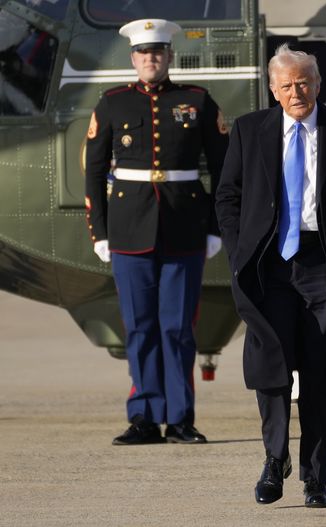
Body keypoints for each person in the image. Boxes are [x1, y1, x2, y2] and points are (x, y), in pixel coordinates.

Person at [215, 43, 326, 508]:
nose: (298, 91)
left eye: (305, 82)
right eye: (288, 84)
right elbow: (228, 197)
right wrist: (238, 253)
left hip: (325, 266)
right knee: (271, 370)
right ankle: (275, 462)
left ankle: (317, 478)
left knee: (318, 376)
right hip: (268, 266)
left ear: (318, 84)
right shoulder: (249, 130)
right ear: (273, 90)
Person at [84, 19, 229, 445]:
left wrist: (216, 226)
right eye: (144, 53)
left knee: (178, 327)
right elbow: (93, 173)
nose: (152, 59)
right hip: (129, 231)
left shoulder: (198, 101)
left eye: (159, 53)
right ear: (133, 59)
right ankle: (144, 416)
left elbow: (224, 171)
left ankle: (181, 419)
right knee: (140, 326)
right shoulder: (112, 104)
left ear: (169, 57)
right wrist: (100, 231)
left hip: (184, 227)